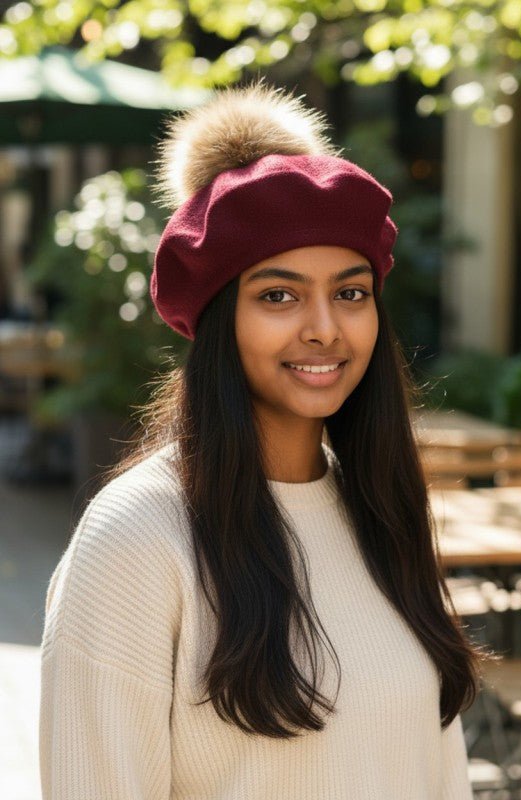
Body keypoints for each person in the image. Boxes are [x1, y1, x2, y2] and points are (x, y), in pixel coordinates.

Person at [39, 78, 490, 799]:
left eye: (350, 293)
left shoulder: (379, 508)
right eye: (278, 295)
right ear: (220, 319)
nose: (324, 328)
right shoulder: (137, 538)